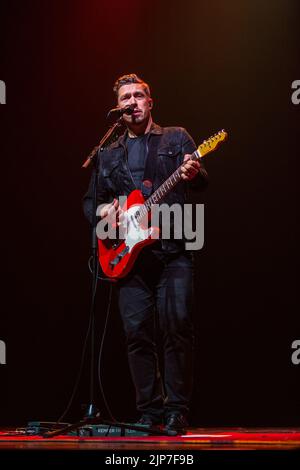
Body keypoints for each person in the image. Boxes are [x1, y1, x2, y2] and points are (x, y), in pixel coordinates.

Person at [83, 74, 208, 434]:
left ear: (150, 103)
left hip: (172, 250)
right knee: (136, 332)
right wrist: (105, 211)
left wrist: (194, 170)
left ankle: (176, 411)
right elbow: (91, 202)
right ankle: (150, 412)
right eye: (126, 97)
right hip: (129, 256)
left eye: (139, 95)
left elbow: (200, 181)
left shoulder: (175, 138)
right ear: (119, 107)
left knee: (177, 327)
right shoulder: (107, 153)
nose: (133, 101)